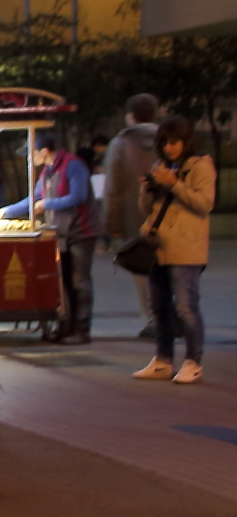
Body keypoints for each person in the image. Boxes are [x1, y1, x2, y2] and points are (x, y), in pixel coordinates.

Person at [134, 116, 215, 385]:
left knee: (185, 307)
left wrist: (174, 184)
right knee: (158, 306)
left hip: (185, 248)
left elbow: (204, 204)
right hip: (157, 247)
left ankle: (193, 361)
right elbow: (148, 210)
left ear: (185, 141)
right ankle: (163, 360)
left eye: (174, 142)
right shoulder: (161, 166)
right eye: (165, 143)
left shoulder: (201, 166)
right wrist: (147, 190)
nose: (169, 148)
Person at [0, 131, 99, 344]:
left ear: (44, 151)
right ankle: (65, 327)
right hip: (60, 233)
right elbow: (35, 198)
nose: (29, 158)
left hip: (81, 232)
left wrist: (47, 205)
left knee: (79, 282)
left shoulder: (73, 165)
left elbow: (78, 196)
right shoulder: (47, 171)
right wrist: (7, 211)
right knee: (64, 285)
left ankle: (82, 329)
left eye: (31, 153)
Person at [105, 93, 161, 338]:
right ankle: (170, 316)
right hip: (167, 218)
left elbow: (112, 188)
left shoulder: (121, 144)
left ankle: (152, 319)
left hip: (133, 219)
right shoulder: (169, 140)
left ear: (130, 116)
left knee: (142, 272)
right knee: (168, 269)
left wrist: (112, 223)